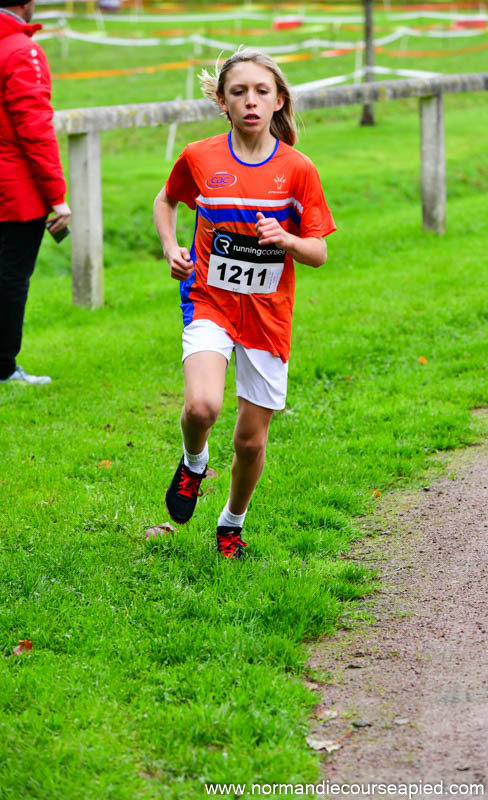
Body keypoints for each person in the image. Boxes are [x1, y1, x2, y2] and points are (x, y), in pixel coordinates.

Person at [153, 49, 335, 559]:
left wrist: (287, 239)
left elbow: (318, 252)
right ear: (222, 102)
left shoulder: (297, 169)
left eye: (261, 91)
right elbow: (166, 200)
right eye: (239, 92)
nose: (250, 101)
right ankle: (193, 463)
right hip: (209, 300)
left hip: (268, 316)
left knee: (250, 442)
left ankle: (231, 521)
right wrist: (171, 248)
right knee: (202, 406)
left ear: (278, 101)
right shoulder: (200, 157)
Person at [0, 0, 70, 385]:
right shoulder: (21, 51)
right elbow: (35, 129)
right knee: (11, 278)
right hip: (15, 191)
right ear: (28, 4)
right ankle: (4, 367)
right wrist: (57, 197)